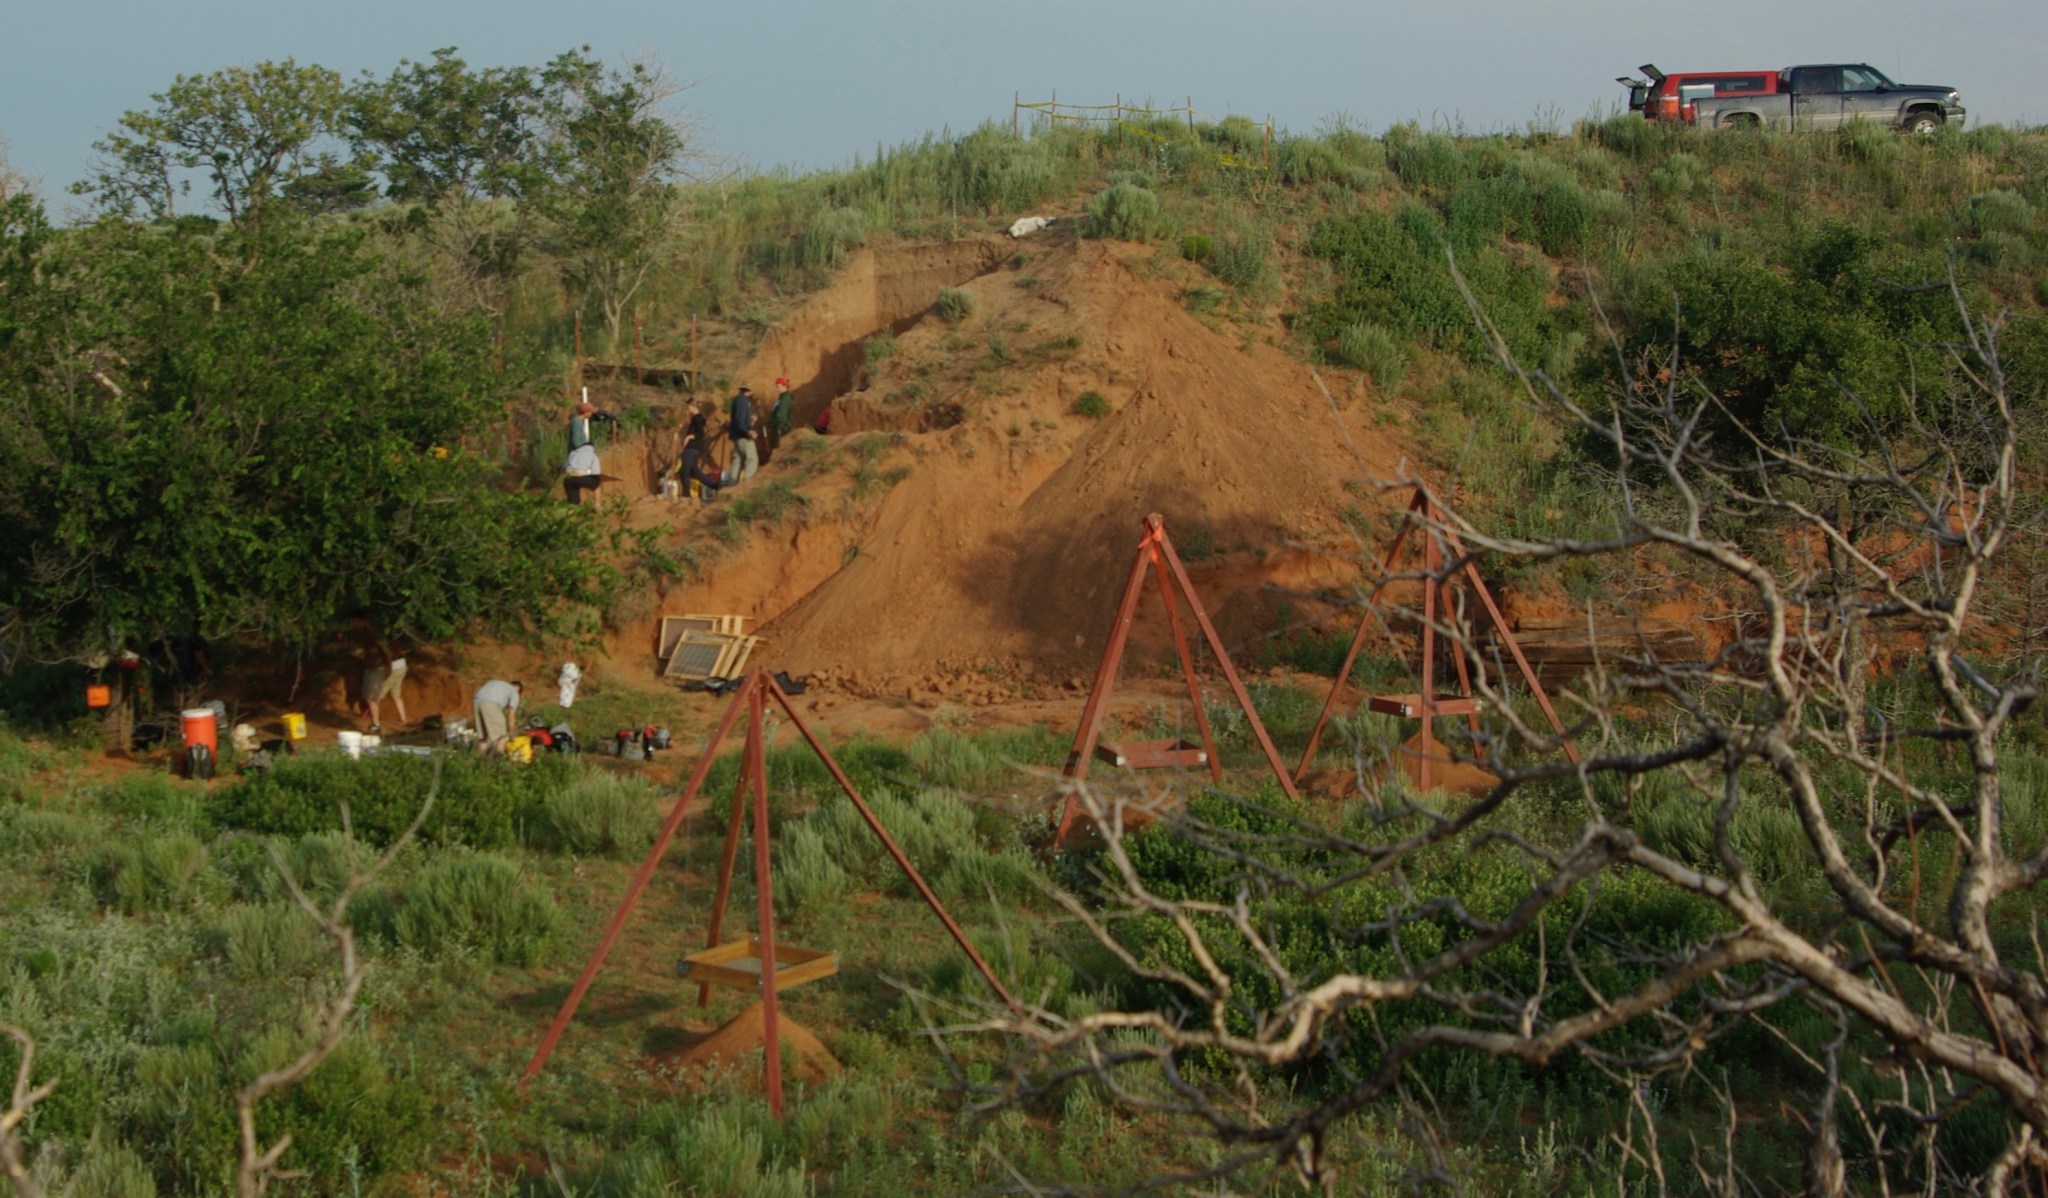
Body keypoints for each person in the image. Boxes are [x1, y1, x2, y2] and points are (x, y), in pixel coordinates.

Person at [355, 617, 409, 732]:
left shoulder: (377, 639)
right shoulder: (388, 639)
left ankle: (375, 722)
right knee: (396, 694)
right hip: (402, 666)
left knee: (376, 696)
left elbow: (386, 656)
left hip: (393, 667)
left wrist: (387, 669)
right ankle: (403, 719)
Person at [471, 679, 522, 754]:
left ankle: (478, 761)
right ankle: (499, 761)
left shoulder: (498, 683)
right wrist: (512, 732)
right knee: (500, 737)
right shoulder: (514, 692)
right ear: (518, 689)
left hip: (476, 701)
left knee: (483, 738)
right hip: (490, 704)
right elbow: (511, 715)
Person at [677, 433, 721, 503]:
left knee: (685, 472)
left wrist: (688, 438)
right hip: (693, 450)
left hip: (690, 450)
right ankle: (715, 485)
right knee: (695, 473)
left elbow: (699, 433)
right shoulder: (698, 424)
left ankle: (686, 496)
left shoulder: (697, 422)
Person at [727, 385, 759, 482]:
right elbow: (739, 420)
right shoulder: (743, 401)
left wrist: (750, 420)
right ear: (749, 389)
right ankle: (748, 484)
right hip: (742, 435)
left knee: (738, 459)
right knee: (752, 459)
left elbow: (739, 418)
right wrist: (748, 431)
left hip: (737, 434)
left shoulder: (738, 399)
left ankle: (731, 484)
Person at [769, 377, 795, 453]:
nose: (777, 389)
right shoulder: (781, 397)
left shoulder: (786, 398)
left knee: (780, 450)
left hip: (781, 428)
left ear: (785, 386)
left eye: (779, 386)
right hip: (777, 427)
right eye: (776, 386)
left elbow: (781, 414)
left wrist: (780, 427)